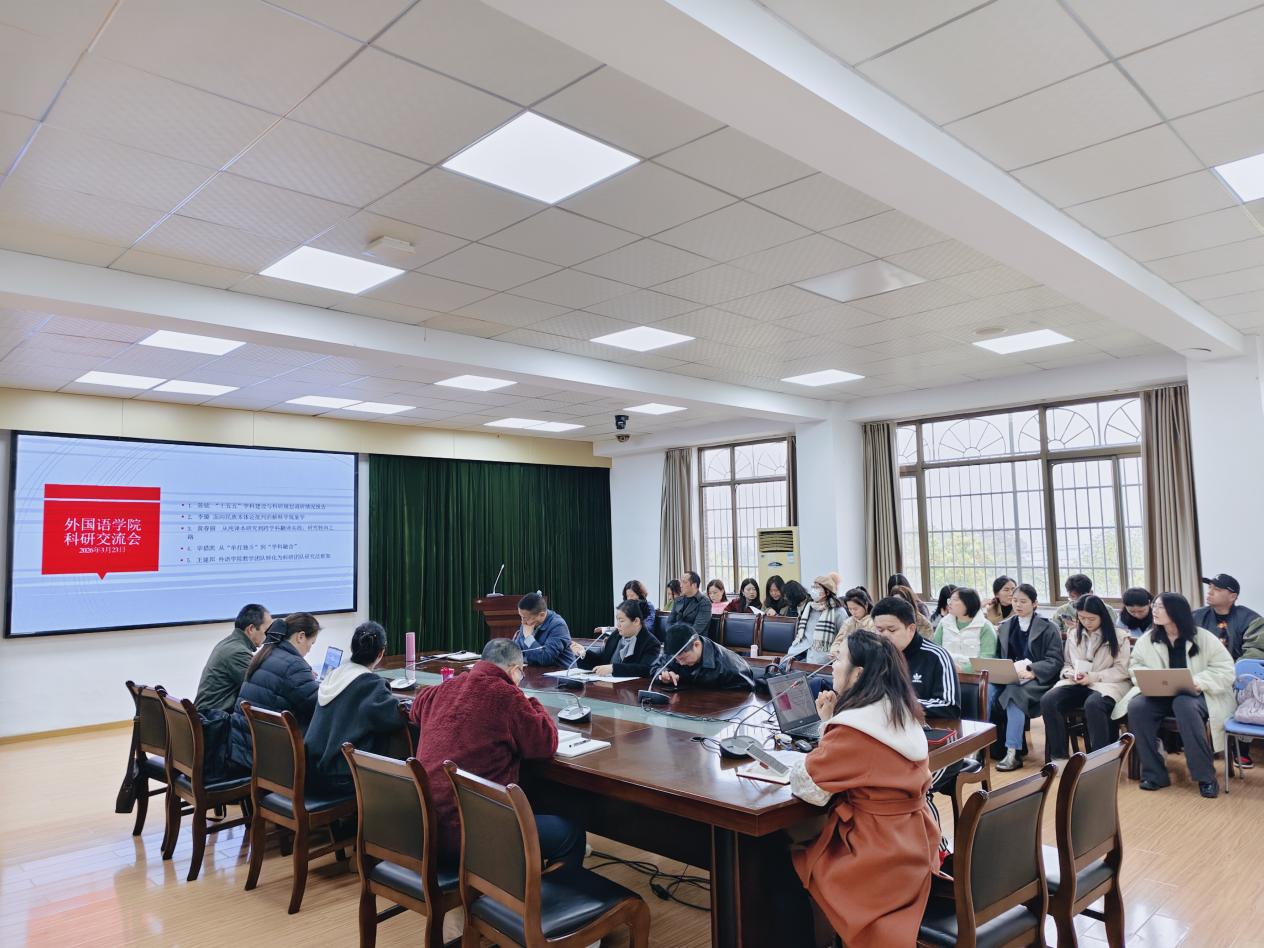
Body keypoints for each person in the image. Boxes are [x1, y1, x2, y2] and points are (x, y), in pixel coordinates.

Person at [788, 629, 939, 948]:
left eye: (839, 658)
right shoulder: (901, 713)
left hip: (876, 854)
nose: (832, 664)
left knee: (790, 855)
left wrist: (826, 726)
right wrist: (831, 722)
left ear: (858, 674)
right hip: (914, 843)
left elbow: (810, 787)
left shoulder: (856, 729)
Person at [409, 638, 583, 872]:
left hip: (425, 827)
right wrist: (532, 702)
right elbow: (545, 743)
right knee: (572, 834)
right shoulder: (507, 696)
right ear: (515, 670)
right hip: (472, 833)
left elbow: (416, 708)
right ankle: (539, 894)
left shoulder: (446, 687)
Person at [1116, 593, 1235, 798]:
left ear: (1176, 611)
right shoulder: (1148, 639)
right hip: (1160, 693)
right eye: (1154, 606)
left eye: (1160, 607)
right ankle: (1155, 774)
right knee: (1137, 707)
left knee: (1184, 704)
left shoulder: (1204, 638)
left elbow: (1225, 669)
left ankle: (1206, 777)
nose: (1154, 611)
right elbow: (1136, 666)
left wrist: (1200, 682)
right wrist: (1150, 679)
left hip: (1199, 694)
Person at [303, 621, 401, 796]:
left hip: (311, 771)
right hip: (340, 778)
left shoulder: (334, 674)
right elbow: (394, 718)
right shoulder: (370, 684)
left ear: (352, 648)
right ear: (381, 653)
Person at [227, 613, 321, 773]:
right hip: (269, 762)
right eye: (311, 643)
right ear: (300, 637)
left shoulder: (265, 654)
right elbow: (317, 708)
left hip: (243, 750)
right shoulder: (294, 665)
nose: (309, 650)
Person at [1041, 595, 1131, 760]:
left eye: (1091, 618)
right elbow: (1067, 664)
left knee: (1094, 704)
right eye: (1082, 618)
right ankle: (1059, 758)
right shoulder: (1073, 634)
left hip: (1108, 684)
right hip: (1077, 682)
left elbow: (1122, 670)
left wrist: (1093, 676)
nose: (1086, 622)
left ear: (1102, 616)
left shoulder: (1119, 636)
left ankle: (1100, 759)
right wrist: (1070, 673)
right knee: (1048, 700)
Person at [989, 583, 1063, 772]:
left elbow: (1055, 660)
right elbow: (999, 656)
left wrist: (1033, 670)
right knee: (985, 691)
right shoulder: (1005, 626)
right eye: (1015, 601)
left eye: (1023, 601)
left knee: (1014, 694)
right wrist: (1003, 670)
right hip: (1011, 676)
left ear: (1034, 603)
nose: (1018, 605)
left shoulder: (1048, 627)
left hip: (1038, 680)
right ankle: (981, 748)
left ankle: (1012, 752)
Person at [871, 597, 959, 720]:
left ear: (911, 629)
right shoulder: (875, 655)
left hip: (922, 727)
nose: (884, 635)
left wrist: (898, 704)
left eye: (891, 630)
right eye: (879, 630)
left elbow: (949, 706)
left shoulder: (936, 656)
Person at [932, 587, 997, 722]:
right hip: (947, 674)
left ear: (968, 603)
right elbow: (935, 651)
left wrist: (963, 669)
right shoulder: (944, 623)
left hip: (976, 677)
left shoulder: (985, 626)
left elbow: (987, 659)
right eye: (949, 599)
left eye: (955, 600)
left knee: (985, 696)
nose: (949, 603)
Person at [195, 603, 271, 713]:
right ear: (251, 629)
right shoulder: (238, 652)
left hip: (210, 714)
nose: (268, 636)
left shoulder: (229, 643)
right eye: (266, 631)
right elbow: (259, 690)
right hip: (215, 718)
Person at [570, 599, 662, 677]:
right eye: (617, 620)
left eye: (621, 621)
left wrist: (614, 668)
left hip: (631, 690)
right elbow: (602, 661)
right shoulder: (616, 635)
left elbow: (646, 669)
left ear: (636, 621)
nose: (618, 625)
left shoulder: (651, 643)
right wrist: (583, 653)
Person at [654, 624, 754, 690]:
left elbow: (744, 696)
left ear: (696, 645)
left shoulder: (730, 667)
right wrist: (663, 675)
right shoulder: (675, 651)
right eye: (676, 660)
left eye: (683, 658)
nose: (681, 663)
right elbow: (655, 668)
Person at [1193, 573, 1264, 661]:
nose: (1210, 592)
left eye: (1217, 589)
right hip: (1204, 668)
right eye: (1210, 587)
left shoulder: (1251, 620)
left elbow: (1255, 653)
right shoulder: (1195, 617)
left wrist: (1232, 668)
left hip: (1237, 668)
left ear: (1232, 597)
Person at [787, 574, 847, 665]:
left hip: (822, 655)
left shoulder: (838, 611)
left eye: (817, 588)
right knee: (778, 668)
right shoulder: (809, 607)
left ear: (827, 592)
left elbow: (844, 637)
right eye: (812, 587)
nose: (813, 590)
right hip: (801, 650)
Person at [512, 592, 573, 667]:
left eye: (526, 618)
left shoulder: (558, 625)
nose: (522, 622)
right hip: (537, 671)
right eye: (521, 617)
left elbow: (545, 658)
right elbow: (515, 652)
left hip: (563, 672)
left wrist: (528, 638)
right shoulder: (527, 623)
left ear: (542, 615)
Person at [667, 570, 711, 639]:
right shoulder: (678, 600)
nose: (681, 585)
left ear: (694, 585)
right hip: (676, 638)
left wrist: (678, 636)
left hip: (695, 640)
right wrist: (672, 635)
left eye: (684, 582)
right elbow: (669, 622)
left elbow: (697, 629)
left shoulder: (704, 602)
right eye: (681, 582)